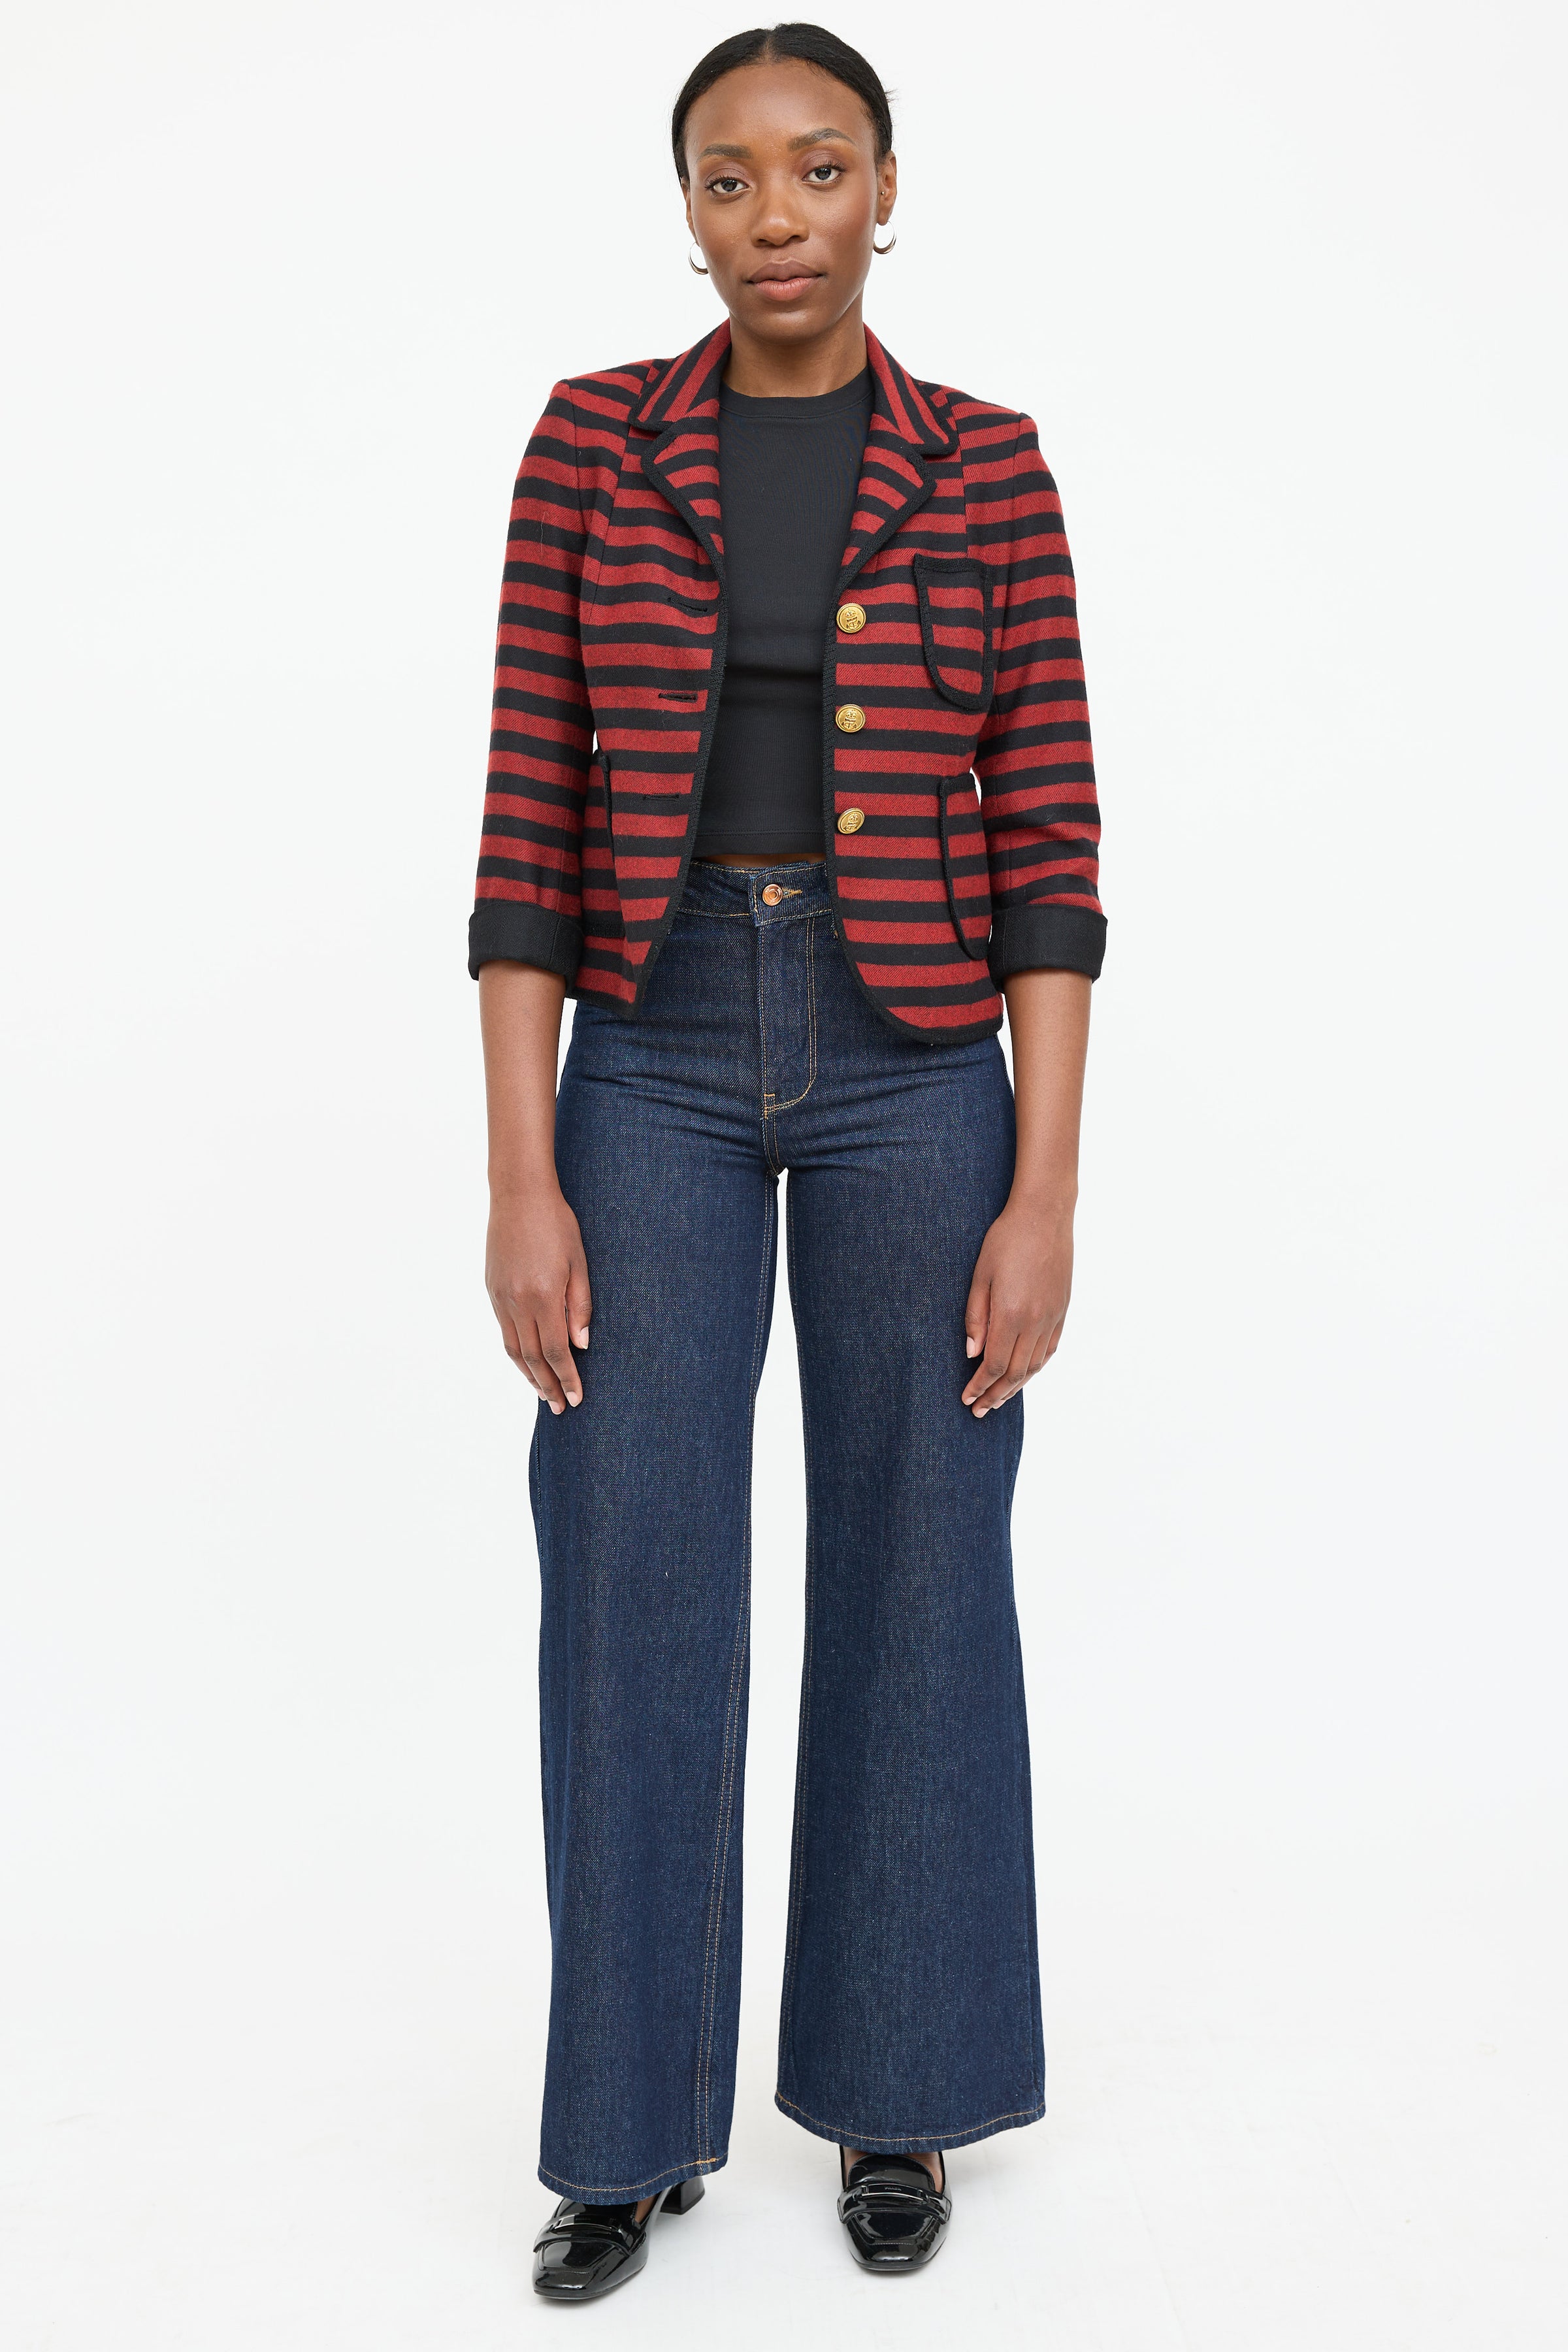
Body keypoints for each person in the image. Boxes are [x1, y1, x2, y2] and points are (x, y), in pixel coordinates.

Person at [469, 22, 1105, 2300]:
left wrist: (1045, 1188)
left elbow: (1052, 842)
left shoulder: (988, 465)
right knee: (628, 1566)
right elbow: (525, 818)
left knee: (924, 1563)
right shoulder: (591, 445)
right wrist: (520, 1171)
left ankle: (894, 2092)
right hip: (644, 1051)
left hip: (913, 1055)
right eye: (731, 177)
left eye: (820, 168)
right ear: (688, 210)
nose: (778, 216)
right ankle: (627, 2127)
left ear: (888, 190)